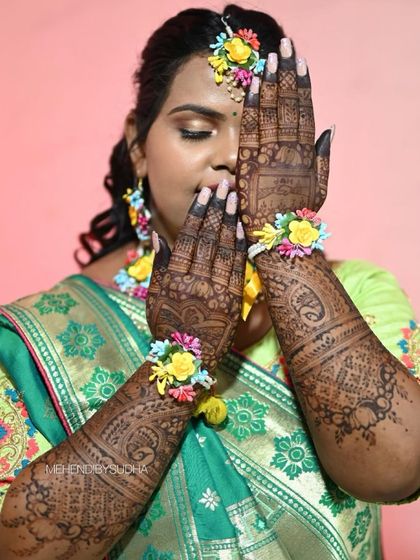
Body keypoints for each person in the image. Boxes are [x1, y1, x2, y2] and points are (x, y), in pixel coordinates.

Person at [0, 4, 419, 559]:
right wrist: (180, 358)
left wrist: (285, 247)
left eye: (257, 140)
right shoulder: (40, 336)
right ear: (138, 146)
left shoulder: (360, 294)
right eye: (197, 130)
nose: (230, 159)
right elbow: (23, 549)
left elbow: (396, 470)